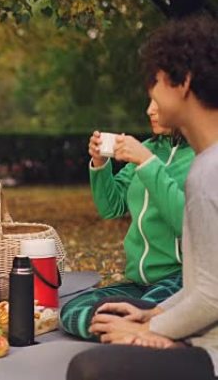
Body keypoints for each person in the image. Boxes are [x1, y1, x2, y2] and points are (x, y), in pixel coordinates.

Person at [67, 15, 218, 380]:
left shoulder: (207, 171)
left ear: (182, 83)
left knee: (87, 369)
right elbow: (207, 287)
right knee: (87, 315)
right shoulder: (207, 163)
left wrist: (154, 331)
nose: (149, 98)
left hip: (209, 344)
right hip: (183, 312)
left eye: (154, 82)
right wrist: (154, 316)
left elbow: (211, 295)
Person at [60, 99, 194, 340]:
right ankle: (131, 333)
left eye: (158, 101)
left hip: (179, 278)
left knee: (143, 311)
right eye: (149, 101)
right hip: (138, 282)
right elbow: (111, 207)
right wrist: (100, 163)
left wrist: (147, 163)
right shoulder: (148, 147)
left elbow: (186, 224)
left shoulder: (201, 157)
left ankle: (138, 331)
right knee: (72, 311)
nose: (150, 110)